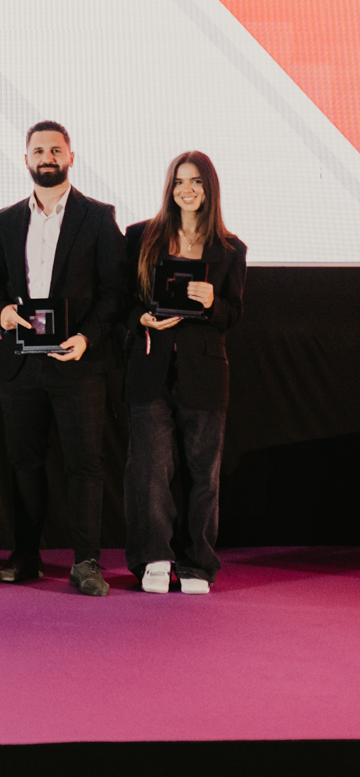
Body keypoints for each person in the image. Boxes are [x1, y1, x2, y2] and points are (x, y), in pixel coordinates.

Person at [0, 120, 125, 597]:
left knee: (84, 465)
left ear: (70, 157)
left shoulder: (98, 217)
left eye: (56, 150)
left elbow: (115, 291)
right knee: (24, 463)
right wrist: (1, 311)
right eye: (39, 150)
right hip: (21, 362)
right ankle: (26, 555)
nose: (47, 157)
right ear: (26, 159)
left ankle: (86, 562)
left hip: (77, 361)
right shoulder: (6, 220)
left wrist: (87, 337)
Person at [123, 152, 245, 595]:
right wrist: (141, 318)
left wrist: (212, 303)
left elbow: (233, 314)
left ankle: (198, 563)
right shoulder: (141, 236)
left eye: (195, 182)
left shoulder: (230, 249)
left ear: (209, 188)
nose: (186, 190)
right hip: (150, 368)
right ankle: (155, 557)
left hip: (205, 373)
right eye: (178, 181)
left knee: (203, 474)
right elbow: (122, 301)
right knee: (149, 470)